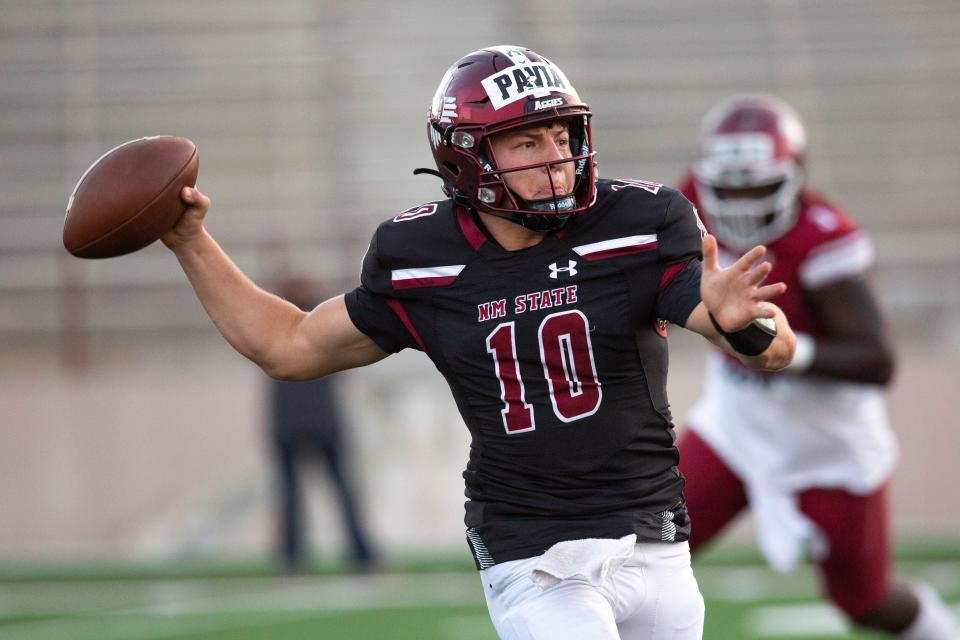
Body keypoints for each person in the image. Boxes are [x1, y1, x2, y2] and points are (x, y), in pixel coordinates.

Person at [163, 46, 797, 640]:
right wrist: (189, 240)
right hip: (533, 551)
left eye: (561, 134)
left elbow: (771, 351)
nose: (556, 156)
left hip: (656, 538)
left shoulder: (635, 224)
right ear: (467, 158)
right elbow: (289, 345)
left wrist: (744, 322)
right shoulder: (421, 260)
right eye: (527, 140)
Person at [675, 95, 959, 639]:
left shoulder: (824, 238)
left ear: (794, 177)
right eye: (729, 187)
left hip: (825, 445)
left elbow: (877, 359)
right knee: (652, 546)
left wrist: (781, 350)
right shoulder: (691, 203)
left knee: (865, 602)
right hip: (734, 426)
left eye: (757, 186)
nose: (740, 202)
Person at [266, 277, 376, 572]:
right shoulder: (311, 330)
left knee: (326, 493)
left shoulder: (281, 330)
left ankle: (352, 555)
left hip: (307, 422)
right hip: (310, 421)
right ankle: (300, 557)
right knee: (307, 495)